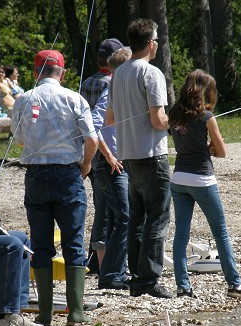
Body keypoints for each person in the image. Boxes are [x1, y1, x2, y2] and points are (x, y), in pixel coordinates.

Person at [10, 49, 98, 326]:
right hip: (68, 175)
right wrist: (85, 166)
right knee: (73, 241)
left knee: (41, 243)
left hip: (36, 176)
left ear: (36, 72)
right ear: (63, 72)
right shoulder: (75, 98)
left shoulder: (23, 100)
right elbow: (92, 140)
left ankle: (45, 314)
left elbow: (19, 138)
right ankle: (76, 313)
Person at [168, 70, 241, 300]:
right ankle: (234, 285)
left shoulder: (174, 113)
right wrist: (210, 149)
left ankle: (183, 288)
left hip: (178, 179)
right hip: (202, 179)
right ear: (206, 92)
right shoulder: (207, 117)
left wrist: (204, 147)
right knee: (221, 233)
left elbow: (186, 142)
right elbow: (222, 152)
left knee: (181, 236)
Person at [107, 19, 173, 299]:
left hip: (128, 157)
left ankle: (136, 277)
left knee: (136, 219)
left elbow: (110, 119)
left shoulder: (118, 73)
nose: (157, 44)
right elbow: (158, 121)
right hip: (151, 155)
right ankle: (148, 279)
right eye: (156, 40)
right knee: (157, 218)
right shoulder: (151, 73)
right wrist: (179, 120)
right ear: (150, 44)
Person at [80, 38, 124, 278]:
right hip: (107, 153)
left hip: (90, 152)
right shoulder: (112, 83)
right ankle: (104, 263)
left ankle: (94, 261)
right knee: (110, 211)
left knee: (100, 207)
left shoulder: (87, 82)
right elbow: (100, 122)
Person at [91, 47, 131, 290]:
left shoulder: (120, 90)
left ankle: (115, 271)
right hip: (111, 166)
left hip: (119, 163)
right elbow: (93, 125)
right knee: (123, 217)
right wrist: (109, 156)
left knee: (119, 217)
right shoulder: (111, 91)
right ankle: (109, 274)